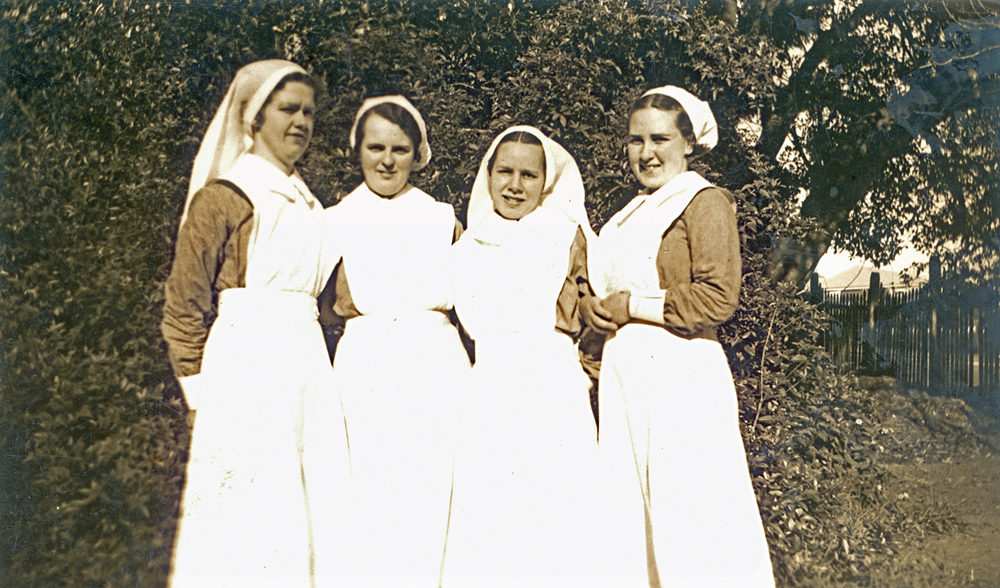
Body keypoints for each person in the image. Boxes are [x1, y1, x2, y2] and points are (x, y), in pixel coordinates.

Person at [161, 60, 347, 587]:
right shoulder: (224, 197)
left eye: (309, 112)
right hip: (246, 367)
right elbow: (183, 307)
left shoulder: (311, 203)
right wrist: (200, 397)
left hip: (308, 365)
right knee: (251, 513)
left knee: (313, 507)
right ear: (254, 117)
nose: (301, 122)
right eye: (288, 110)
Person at [585, 86, 776, 587]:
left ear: (689, 143)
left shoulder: (703, 201)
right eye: (635, 140)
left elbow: (717, 298)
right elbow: (604, 292)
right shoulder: (626, 216)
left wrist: (632, 306)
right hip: (626, 382)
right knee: (633, 516)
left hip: (681, 375)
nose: (646, 153)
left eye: (660, 139)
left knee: (691, 517)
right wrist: (597, 313)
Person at [441, 126, 642, 586]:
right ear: (487, 176)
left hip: (553, 386)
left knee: (557, 509)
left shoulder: (565, 235)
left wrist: (583, 372)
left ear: (546, 180)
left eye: (528, 175)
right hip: (488, 387)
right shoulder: (465, 246)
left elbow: (593, 311)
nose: (515, 185)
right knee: (492, 513)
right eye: (505, 172)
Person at [317, 95, 471, 587]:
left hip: (436, 366)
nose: (387, 160)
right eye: (376, 147)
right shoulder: (333, 220)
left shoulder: (443, 218)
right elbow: (316, 302)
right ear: (357, 149)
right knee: (371, 492)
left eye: (399, 149)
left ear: (417, 153)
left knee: (433, 491)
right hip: (366, 367)